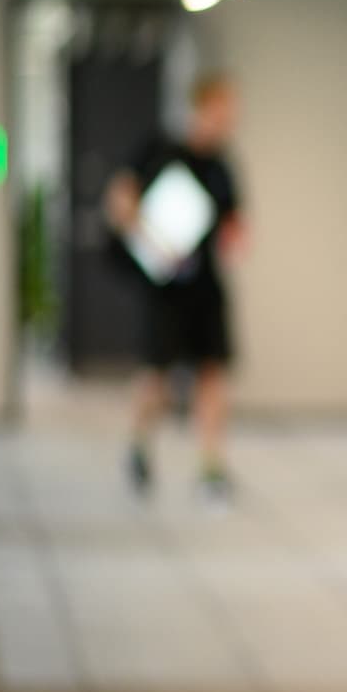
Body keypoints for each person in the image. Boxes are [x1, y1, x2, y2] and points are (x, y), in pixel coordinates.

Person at [103, 71, 245, 503]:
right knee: (157, 378)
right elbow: (120, 199)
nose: (229, 118)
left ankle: (211, 466)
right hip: (164, 284)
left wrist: (234, 237)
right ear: (202, 107)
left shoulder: (222, 165)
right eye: (223, 108)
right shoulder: (159, 149)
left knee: (212, 373)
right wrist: (148, 235)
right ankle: (139, 444)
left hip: (205, 284)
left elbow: (236, 224)